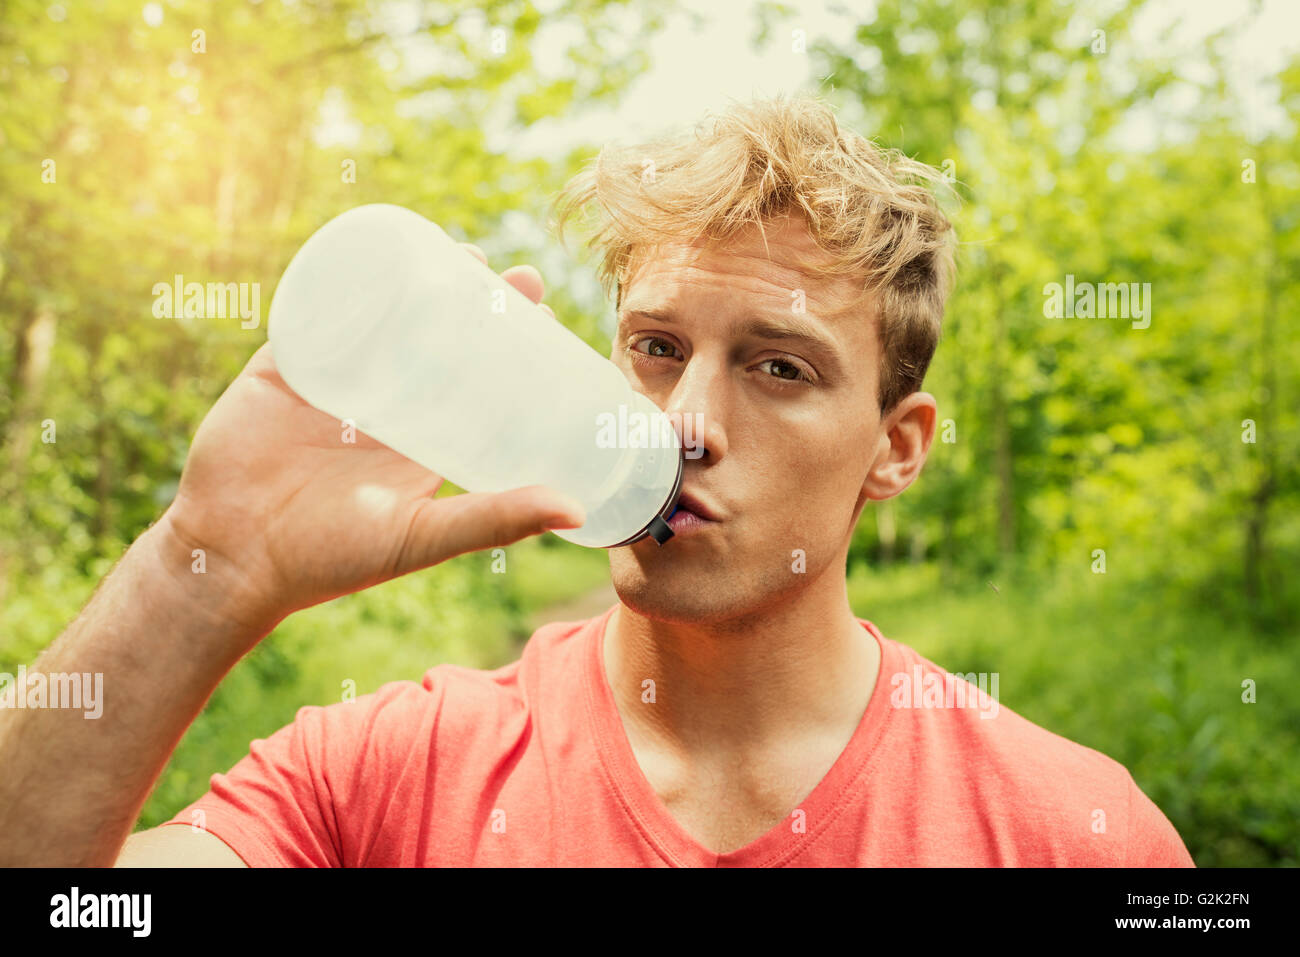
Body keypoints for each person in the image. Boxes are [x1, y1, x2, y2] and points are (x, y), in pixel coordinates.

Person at [0, 93, 1193, 867]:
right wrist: (202, 566)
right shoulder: (379, 777)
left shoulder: (1069, 832)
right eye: (657, 348)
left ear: (897, 447)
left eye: (778, 368)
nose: (685, 424)